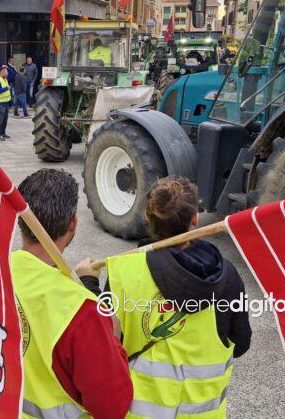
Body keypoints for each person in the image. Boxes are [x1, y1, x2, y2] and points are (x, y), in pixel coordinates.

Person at [81, 176, 251, 418]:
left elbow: (101, 339)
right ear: (195, 218)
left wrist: (89, 282)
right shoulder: (228, 277)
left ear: (147, 218)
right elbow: (241, 344)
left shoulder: (124, 270)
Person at [12, 169, 133, 419]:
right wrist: (112, 338)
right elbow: (112, 408)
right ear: (73, 223)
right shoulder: (83, 312)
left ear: (21, 220)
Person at [0, 66, 12, 141]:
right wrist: (6, 88)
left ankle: (3, 133)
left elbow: (12, 74)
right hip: (0, 103)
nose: (7, 73)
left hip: (6, 103)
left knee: (5, 119)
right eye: (6, 72)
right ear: (2, 72)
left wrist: (8, 68)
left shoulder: (5, 79)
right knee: (0, 119)